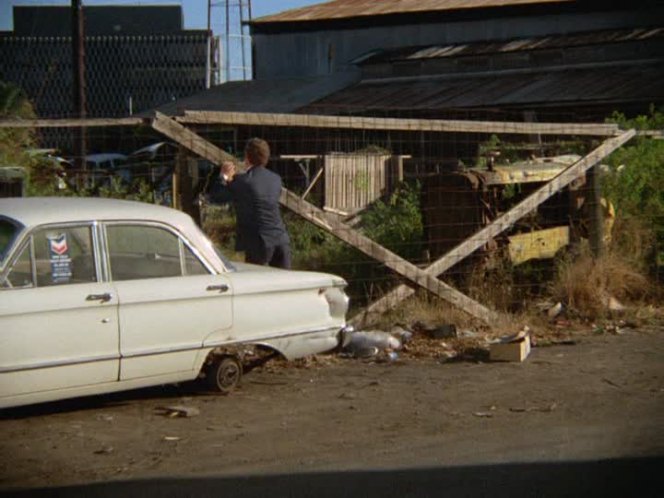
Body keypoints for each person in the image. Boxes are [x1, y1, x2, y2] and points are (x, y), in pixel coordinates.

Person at [211, 138, 291, 269]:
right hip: (281, 239)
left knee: (257, 283)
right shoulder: (276, 179)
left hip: (259, 242)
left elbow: (217, 196)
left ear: (247, 157)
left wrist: (224, 176)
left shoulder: (243, 181)